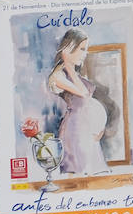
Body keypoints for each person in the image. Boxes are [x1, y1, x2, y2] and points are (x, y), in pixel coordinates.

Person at [47, 29, 110, 176]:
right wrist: (68, 65)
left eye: (85, 49)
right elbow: (84, 94)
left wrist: (99, 128)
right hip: (74, 132)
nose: (85, 53)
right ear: (69, 48)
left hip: (87, 132)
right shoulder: (58, 75)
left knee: (92, 175)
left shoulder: (76, 73)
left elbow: (87, 103)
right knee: (78, 175)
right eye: (82, 49)